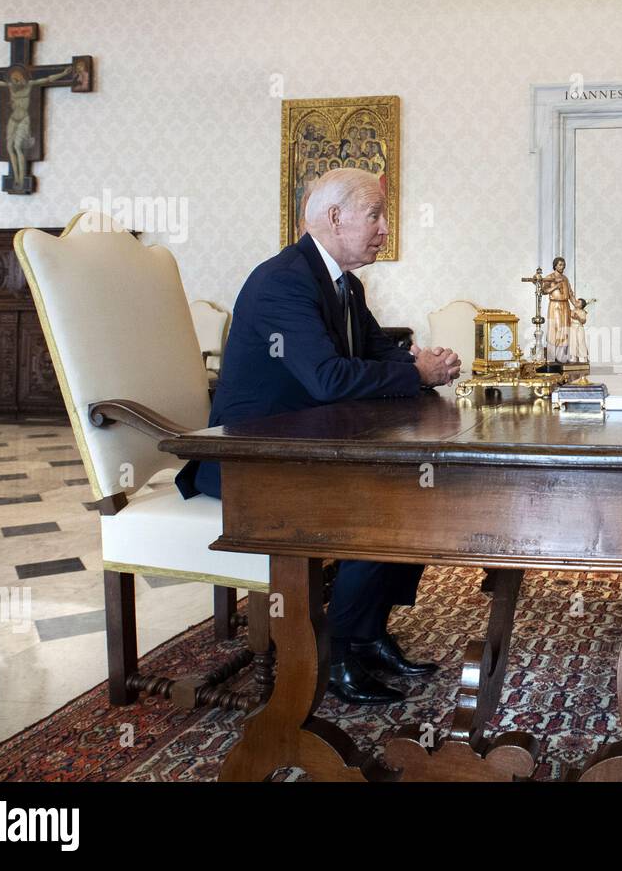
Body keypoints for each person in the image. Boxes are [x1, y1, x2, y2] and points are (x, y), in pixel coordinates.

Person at [176, 168, 462, 706]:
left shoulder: (344, 283)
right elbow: (328, 378)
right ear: (334, 218)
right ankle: (334, 654)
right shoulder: (283, 280)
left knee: (422, 496)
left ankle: (368, 635)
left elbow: (378, 351)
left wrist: (421, 361)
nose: (384, 229)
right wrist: (415, 375)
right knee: (381, 511)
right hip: (248, 460)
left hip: (300, 451)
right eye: (375, 215)